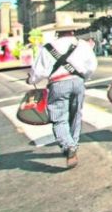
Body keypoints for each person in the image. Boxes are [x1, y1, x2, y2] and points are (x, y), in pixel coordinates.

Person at [28, 14, 97, 168]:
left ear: (57, 31)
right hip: (78, 82)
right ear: (73, 30)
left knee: (59, 118)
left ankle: (68, 146)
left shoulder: (47, 48)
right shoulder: (83, 44)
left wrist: (31, 80)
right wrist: (83, 78)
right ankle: (73, 144)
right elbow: (92, 65)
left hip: (58, 83)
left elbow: (38, 72)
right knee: (76, 115)